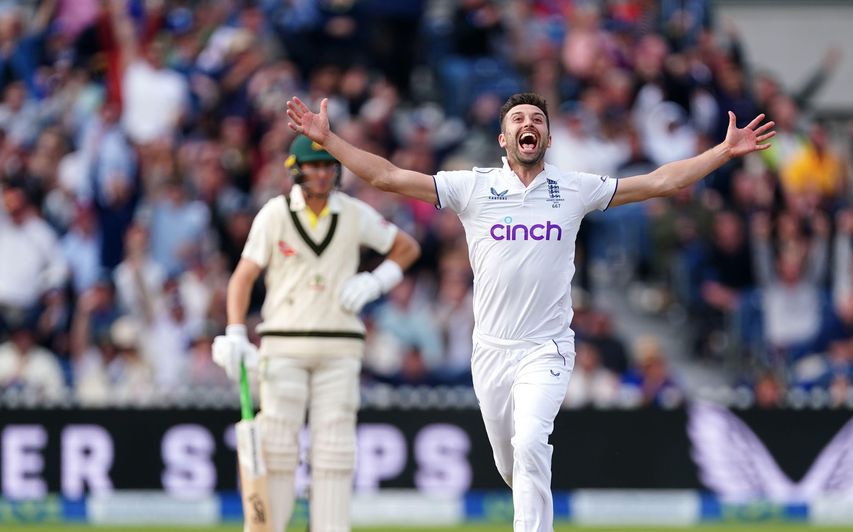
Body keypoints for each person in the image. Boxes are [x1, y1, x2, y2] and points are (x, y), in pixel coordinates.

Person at [286, 92, 774, 532]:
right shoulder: (472, 187)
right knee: (510, 462)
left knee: (530, 443)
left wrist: (722, 152)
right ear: (503, 139)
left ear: (547, 138)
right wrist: (329, 141)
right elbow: (387, 177)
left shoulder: (575, 188)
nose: (529, 124)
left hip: (547, 347)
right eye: (518, 119)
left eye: (537, 119)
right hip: (491, 350)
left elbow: (658, 182)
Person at [212, 135, 420, 532]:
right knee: (276, 446)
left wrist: (377, 281)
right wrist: (236, 331)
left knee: (335, 451)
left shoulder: (353, 212)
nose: (322, 174)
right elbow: (242, 277)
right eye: (314, 166)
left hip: (340, 348)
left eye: (327, 166)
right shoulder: (275, 214)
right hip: (283, 345)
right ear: (296, 169)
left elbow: (407, 247)